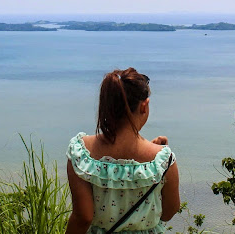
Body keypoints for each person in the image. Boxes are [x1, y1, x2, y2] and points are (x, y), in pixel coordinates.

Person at [65, 68, 180, 234]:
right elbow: (169, 211)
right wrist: (156, 151)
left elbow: (83, 217)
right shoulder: (163, 161)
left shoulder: (81, 154)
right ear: (144, 106)